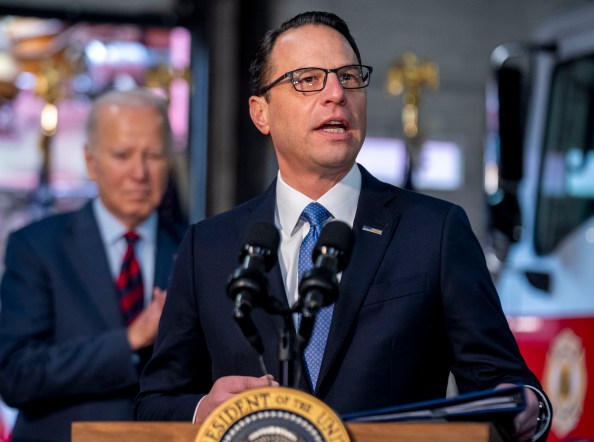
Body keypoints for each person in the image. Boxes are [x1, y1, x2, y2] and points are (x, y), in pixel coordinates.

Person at [135, 11, 551, 442]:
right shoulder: (209, 246)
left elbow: (504, 383)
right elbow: (154, 403)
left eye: (350, 77)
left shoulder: (435, 231)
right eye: (308, 79)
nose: (336, 93)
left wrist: (523, 406)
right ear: (262, 113)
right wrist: (204, 409)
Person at [0, 88, 185, 442]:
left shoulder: (195, 248)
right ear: (90, 161)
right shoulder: (36, 247)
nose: (139, 173)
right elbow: (16, 376)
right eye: (122, 155)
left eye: (153, 155)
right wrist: (130, 340)